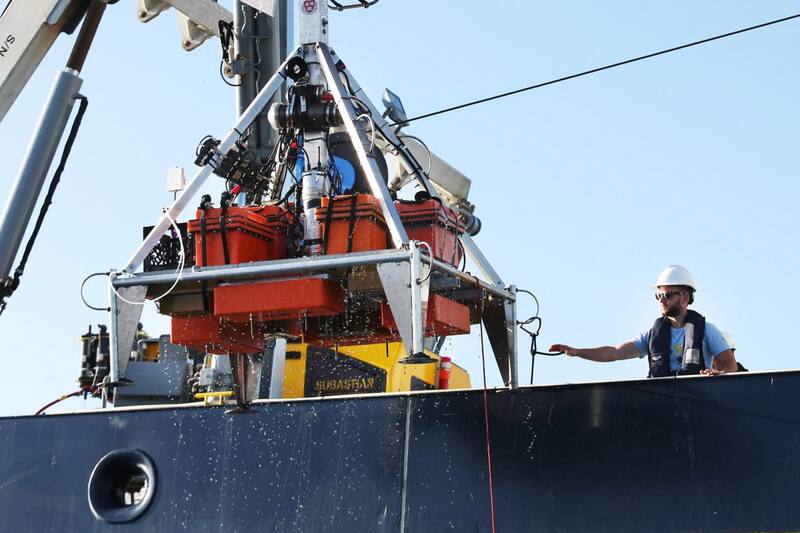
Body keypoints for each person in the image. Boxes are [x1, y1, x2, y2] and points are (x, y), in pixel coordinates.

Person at [550, 265, 738, 377]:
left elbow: (729, 364)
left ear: (685, 298)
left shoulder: (707, 330)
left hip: (698, 405)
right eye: (659, 295)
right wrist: (577, 352)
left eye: (667, 295)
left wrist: (718, 376)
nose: (662, 300)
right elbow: (614, 353)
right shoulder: (652, 335)